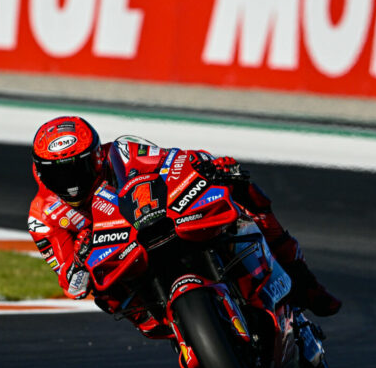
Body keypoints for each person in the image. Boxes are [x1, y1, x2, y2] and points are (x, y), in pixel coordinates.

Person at [28, 115, 341, 338]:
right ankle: (176, 331)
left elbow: (172, 161)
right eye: (60, 176)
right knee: (104, 293)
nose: (71, 185)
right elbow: (70, 281)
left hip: (161, 221)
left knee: (242, 188)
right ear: (41, 174)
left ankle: (302, 279)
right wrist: (79, 264)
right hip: (124, 257)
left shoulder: (122, 152)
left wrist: (209, 166)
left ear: (96, 156)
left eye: (78, 169)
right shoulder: (43, 218)